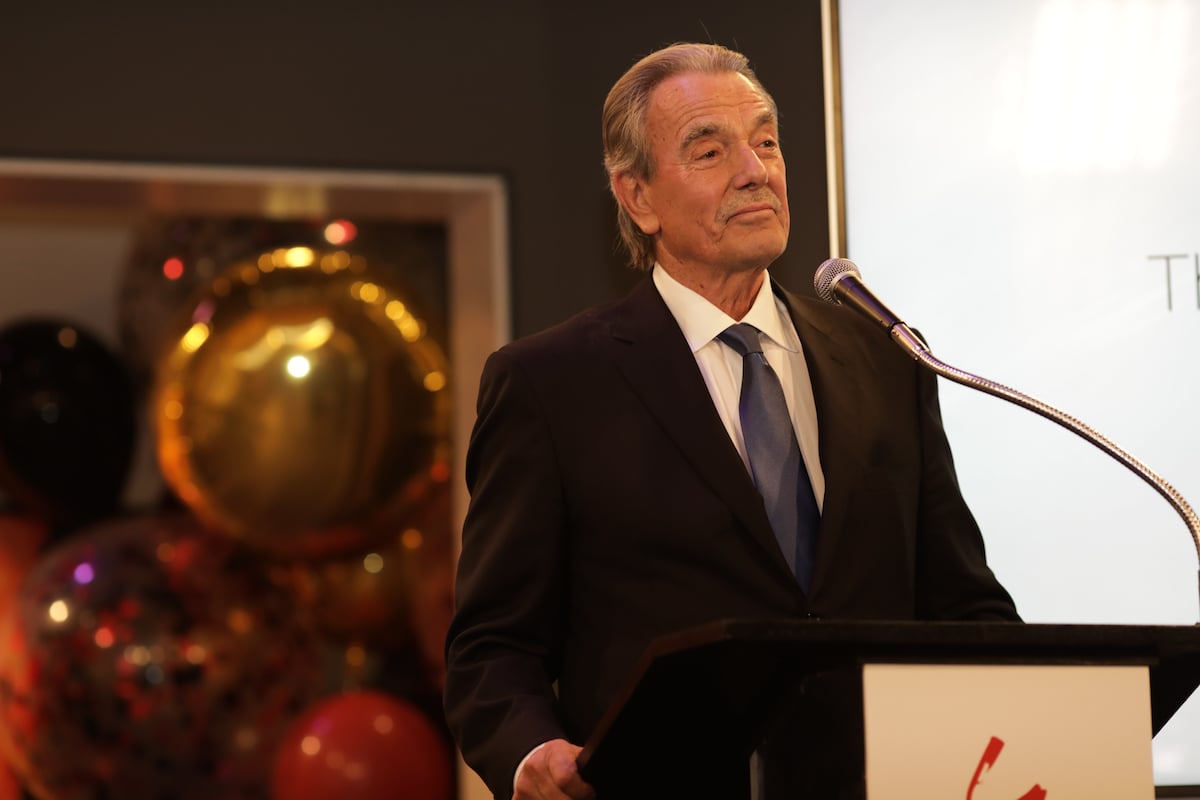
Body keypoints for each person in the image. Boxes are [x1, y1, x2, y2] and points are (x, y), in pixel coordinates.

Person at [443, 41, 1020, 800]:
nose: (756, 170)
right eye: (710, 151)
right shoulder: (552, 383)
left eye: (767, 143)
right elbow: (493, 645)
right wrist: (531, 750)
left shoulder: (884, 359)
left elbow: (961, 603)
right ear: (637, 197)